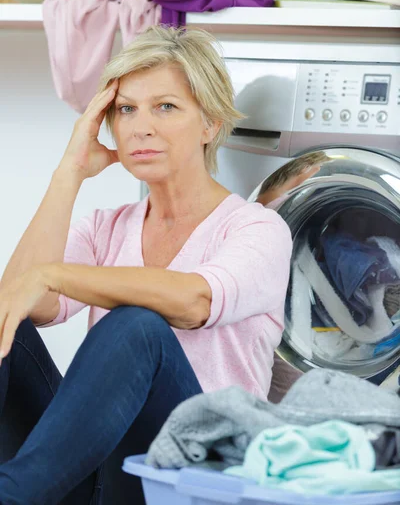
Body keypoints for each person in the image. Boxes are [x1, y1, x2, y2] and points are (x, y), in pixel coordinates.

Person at [0, 25, 292, 505]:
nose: (141, 126)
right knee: (8, 322)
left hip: (193, 475)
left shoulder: (256, 230)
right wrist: (68, 172)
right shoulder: (106, 227)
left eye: (166, 107)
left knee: (136, 325)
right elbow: (21, 301)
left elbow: (193, 301)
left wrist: (52, 275)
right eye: (126, 109)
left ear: (210, 123)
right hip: (92, 472)